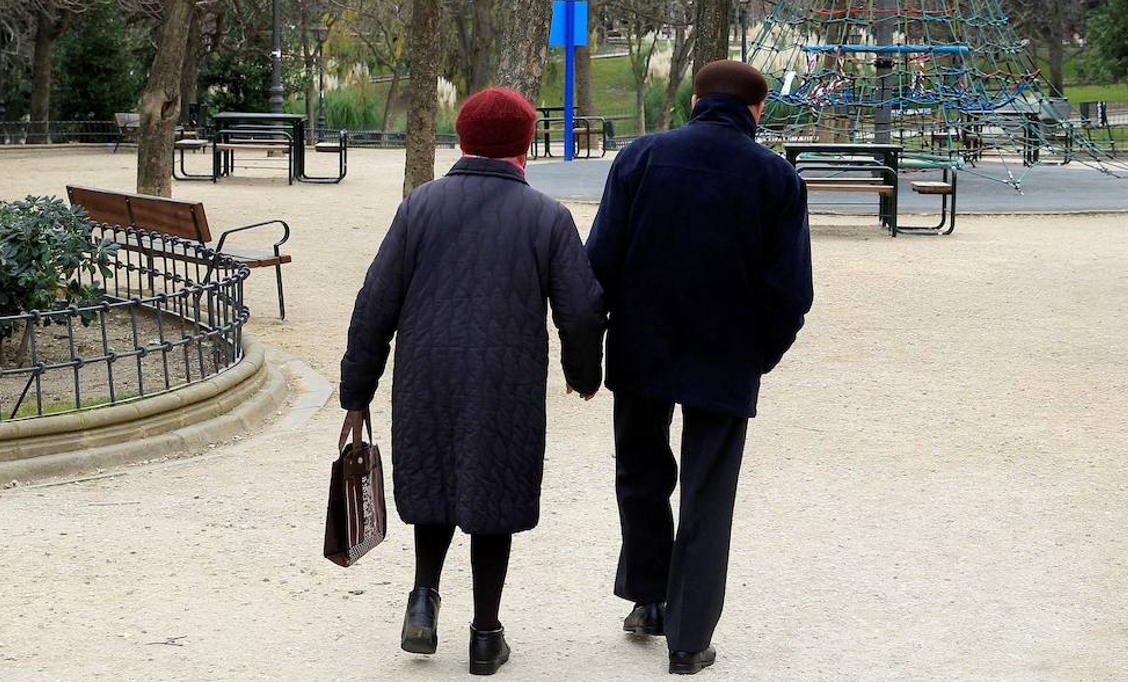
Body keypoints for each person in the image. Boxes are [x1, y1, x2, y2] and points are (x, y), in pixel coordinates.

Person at [338, 87, 605, 676]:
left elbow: (374, 303)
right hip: (504, 375)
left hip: (427, 369)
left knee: (433, 480)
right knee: (494, 493)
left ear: (461, 138)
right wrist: (583, 374)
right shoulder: (547, 217)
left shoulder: (420, 207)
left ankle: (423, 599)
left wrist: (356, 391)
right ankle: (486, 635)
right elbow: (582, 309)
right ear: (526, 146)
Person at [585, 60, 814, 675]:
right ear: (756, 109)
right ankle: (689, 638)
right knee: (709, 492)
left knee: (639, 471)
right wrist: (758, 353)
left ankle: (646, 598)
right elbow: (791, 293)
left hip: (641, 347)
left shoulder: (639, 158)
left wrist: (594, 343)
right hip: (726, 354)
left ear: (695, 101)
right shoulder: (776, 179)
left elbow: (599, 260)